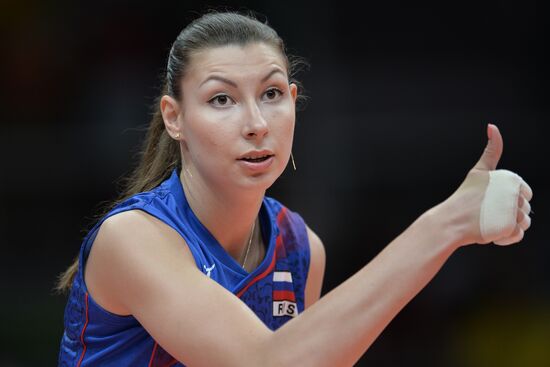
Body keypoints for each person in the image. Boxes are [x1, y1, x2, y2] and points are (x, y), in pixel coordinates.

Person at [57, 10, 533, 367]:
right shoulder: (135, 239)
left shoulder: (300, 248)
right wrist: (445, 225)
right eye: (221, 99)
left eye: (272, 94)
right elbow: (265, 363)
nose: (257, 123)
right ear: (174, 117)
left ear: (293, 102)